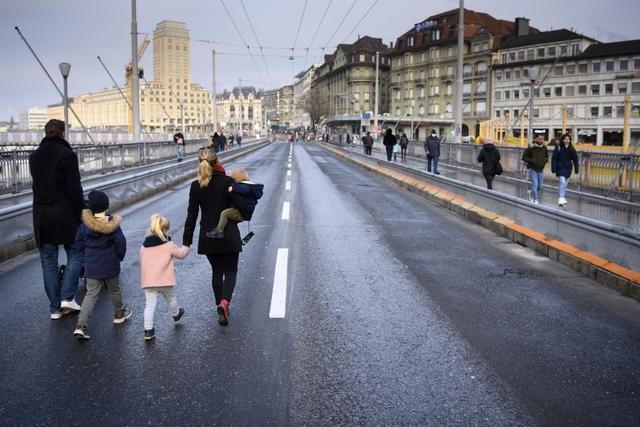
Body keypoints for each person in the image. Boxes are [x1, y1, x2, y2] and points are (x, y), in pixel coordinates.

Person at [183, 150, 249, 326]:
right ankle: (224, 303)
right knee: (231, 271)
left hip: (208, 237)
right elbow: (242, 206)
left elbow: (192, 215)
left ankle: (219, 305)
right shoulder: (228, 182)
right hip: (229, 235)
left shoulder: (196, 186)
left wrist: (186, 241)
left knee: (217, 272)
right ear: (217, 161)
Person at [29, 119, 85, 319]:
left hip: (42, 216)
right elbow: (74, 189)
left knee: (48, 262)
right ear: (62, 134)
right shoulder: (68, 155)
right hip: (64, 214)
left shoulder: (33, 157)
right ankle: (67, 296)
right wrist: (83, 211)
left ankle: (55, 309)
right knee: (76, 253)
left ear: (46, 133)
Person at [73, 190, 131, 340]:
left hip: (92, 266)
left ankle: (81, 325)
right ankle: (119, 314)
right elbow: (121, 244)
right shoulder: (112, 225)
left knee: (91, 294)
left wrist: (86, 259)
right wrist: (119, 257)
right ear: (106, 206)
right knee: (115, 290)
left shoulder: (84, 225)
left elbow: (78, 245)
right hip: (110, 264)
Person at [140, 214, 190, 341]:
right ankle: (176, 315)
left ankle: (148, 330)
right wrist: (187, 247)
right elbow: (180, 254)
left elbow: (142, 261)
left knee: (150, 305)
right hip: (165, 280)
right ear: (164, 230)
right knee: (171, 299)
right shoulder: (168, 245)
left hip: (149, 282)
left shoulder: (144, 247)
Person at [206, 168, 264, 239]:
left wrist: (233, 188)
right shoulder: (250, 186)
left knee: (225, 213)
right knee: (226, 213)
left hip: (240, 213)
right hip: (243, 212)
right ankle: (220, 231)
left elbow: (243, 189)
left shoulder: (245, 186)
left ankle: (219, 231)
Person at [551, 133, 579, 206]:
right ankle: (560, 198)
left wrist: (576, 168)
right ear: (562, 140)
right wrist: (553, 168)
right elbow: (554, 158)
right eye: (566, 139)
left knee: (565, 184)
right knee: (562, 182)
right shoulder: (558, 147)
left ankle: (563, 197)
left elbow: (575, 159)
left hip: (568, 168)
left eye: (568, 139)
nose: (567, 140)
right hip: (560, 167)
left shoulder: (572, 148)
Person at [522, 134, 549, 204]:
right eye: (539, 139)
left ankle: (531, 193)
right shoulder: (531, 148)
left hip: (540, 169)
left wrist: (544, 161)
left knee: (540, 186)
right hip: (532, 168)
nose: (541, 140)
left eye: (542, 139)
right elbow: (524, 157)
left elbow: (547, 157)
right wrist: (532, 160)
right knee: (535, 184)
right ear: (535, 139)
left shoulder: (544, 148)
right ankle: (535, 199)